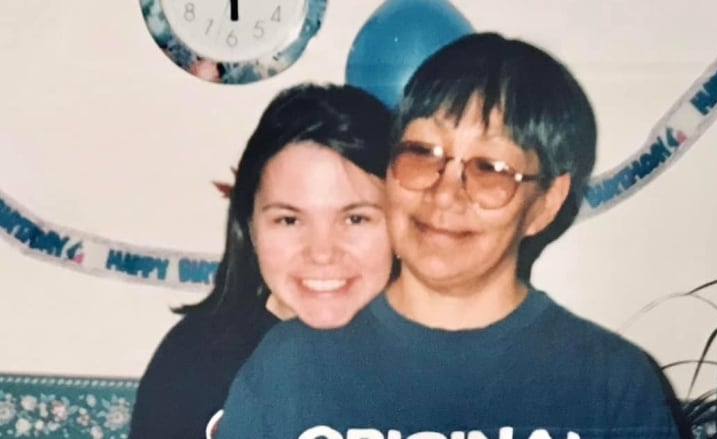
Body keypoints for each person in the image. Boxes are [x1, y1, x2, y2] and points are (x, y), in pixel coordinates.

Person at [216, 32, 684, 439]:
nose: (445, 194)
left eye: (489, 168)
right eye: (423, 153)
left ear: (544, 203)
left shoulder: (610, 384)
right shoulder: (290, 369)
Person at [128, 83, 395, 439]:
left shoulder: (450, 359)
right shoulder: (193, 360)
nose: (321, 252)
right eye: (289, 220)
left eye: (355, 218)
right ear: (250, 226)